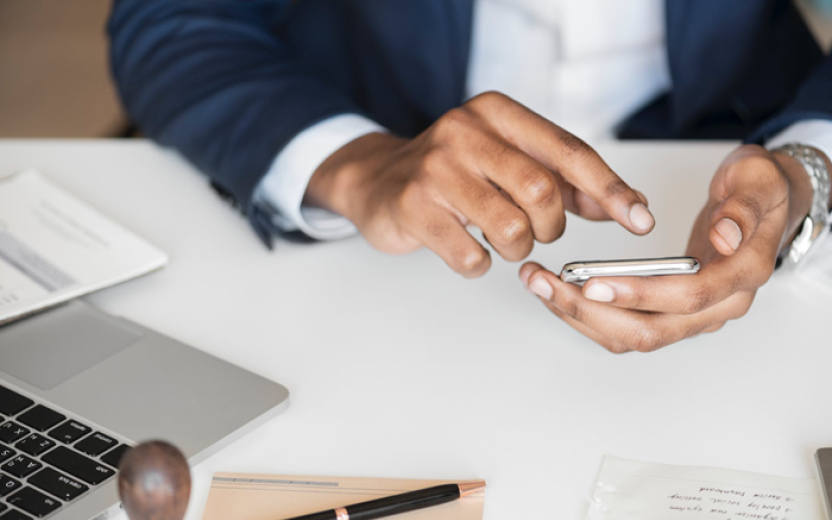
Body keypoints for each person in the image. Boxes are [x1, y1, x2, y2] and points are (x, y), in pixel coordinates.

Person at [108, 0, 832, 352]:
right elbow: (171, 20)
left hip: (730, 139)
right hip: (378, 219)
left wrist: (807, 166)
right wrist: (358, 165)